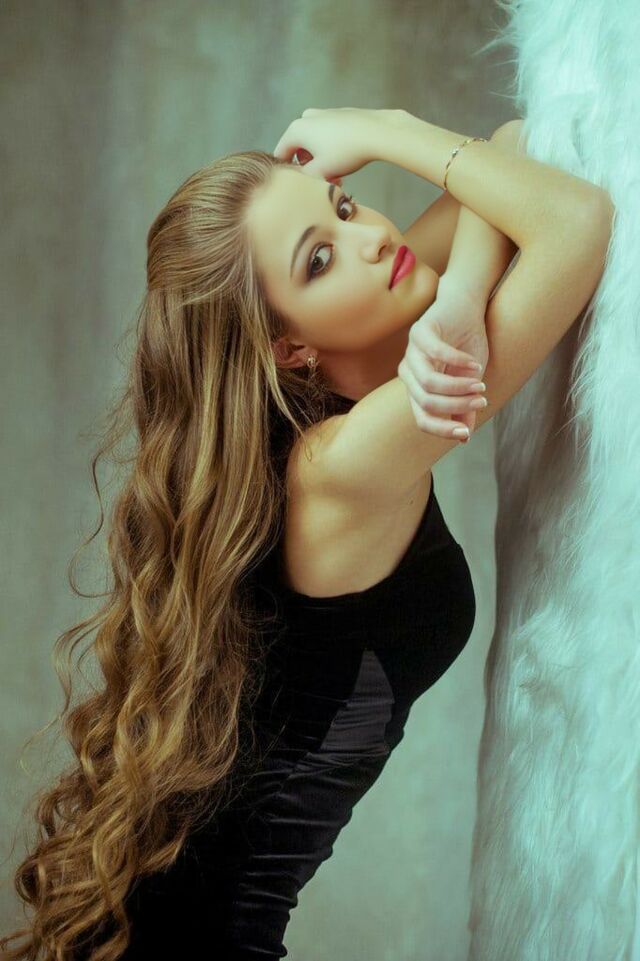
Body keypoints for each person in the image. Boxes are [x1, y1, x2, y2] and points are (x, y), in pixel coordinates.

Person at [2, 108, 612, 961]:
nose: (371, 237)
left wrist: (462, 294)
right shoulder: (337, 469)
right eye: (318, 258)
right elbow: (574, 220)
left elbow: (511, 150)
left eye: (346, 203)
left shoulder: (349, 359)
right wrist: (387, 129)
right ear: (289, 346)